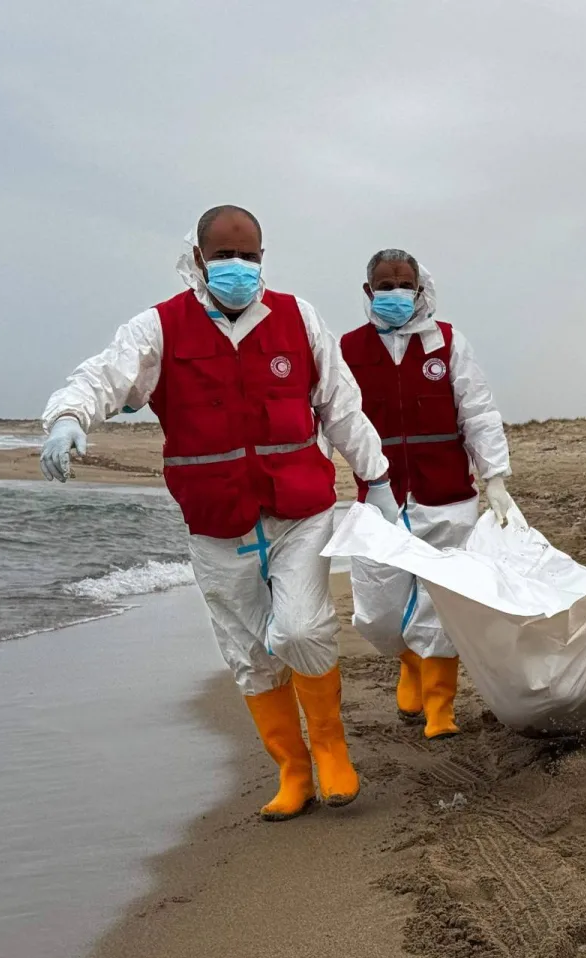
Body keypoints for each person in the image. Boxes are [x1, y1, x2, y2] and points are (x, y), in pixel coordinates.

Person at [40, 205, 402, 821]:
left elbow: (341, 405)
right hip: (215, 518)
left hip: (299, 509)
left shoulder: (297, 317)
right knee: (248, 651)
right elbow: (104, 376)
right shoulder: (159, 327)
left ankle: (332, 749)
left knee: (299, 629)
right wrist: (69, 416)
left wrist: (378, 476)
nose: (238, 266)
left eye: (250, 255)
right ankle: (292, 772)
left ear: (264, 258)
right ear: (198, 259)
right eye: (225, 255)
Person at [340, 249, 522, 739]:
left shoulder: (448, 344)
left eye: (405, 284)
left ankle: (440, 708)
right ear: (368, 291)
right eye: (385, 284)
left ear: (421, 290)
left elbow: (478, 412)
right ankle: (408, 660)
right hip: (377, 496)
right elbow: (331, 416)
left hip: (445, 493)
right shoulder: (347, 349)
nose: (395, 293)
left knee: (440, 604)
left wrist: (495, 478)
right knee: (376, 609)